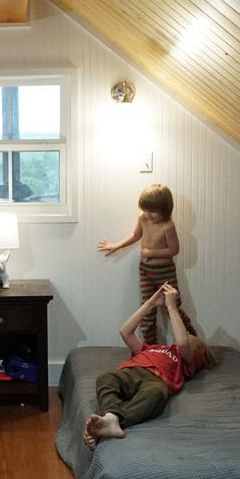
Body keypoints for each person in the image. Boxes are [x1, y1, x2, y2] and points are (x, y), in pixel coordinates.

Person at [83, 284, 216, 449]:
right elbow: (125, 332)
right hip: (132, 371)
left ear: (197, 354)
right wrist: (150, 304)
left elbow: (182, 344)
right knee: (106, 378)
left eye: (190, 337)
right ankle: (110, 417)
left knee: (156, 394)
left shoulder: (185, 360)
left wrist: (171, 306)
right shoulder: (155, 348)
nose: (186, 335)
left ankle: (113, 420)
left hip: (156, 381)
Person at [97, 183, 196, 343]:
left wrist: (151, 252)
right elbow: (135, 235)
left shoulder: (168, 226)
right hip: (146, 271)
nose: (148, 215)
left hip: (165, 272)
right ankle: (150, 349)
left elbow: (174, 250)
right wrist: (116, 245)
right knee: (146, 311)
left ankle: (192, 340)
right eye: (146, 210)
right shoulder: (143, 218)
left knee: (173, 308)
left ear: (165, 210)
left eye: (153, 211)